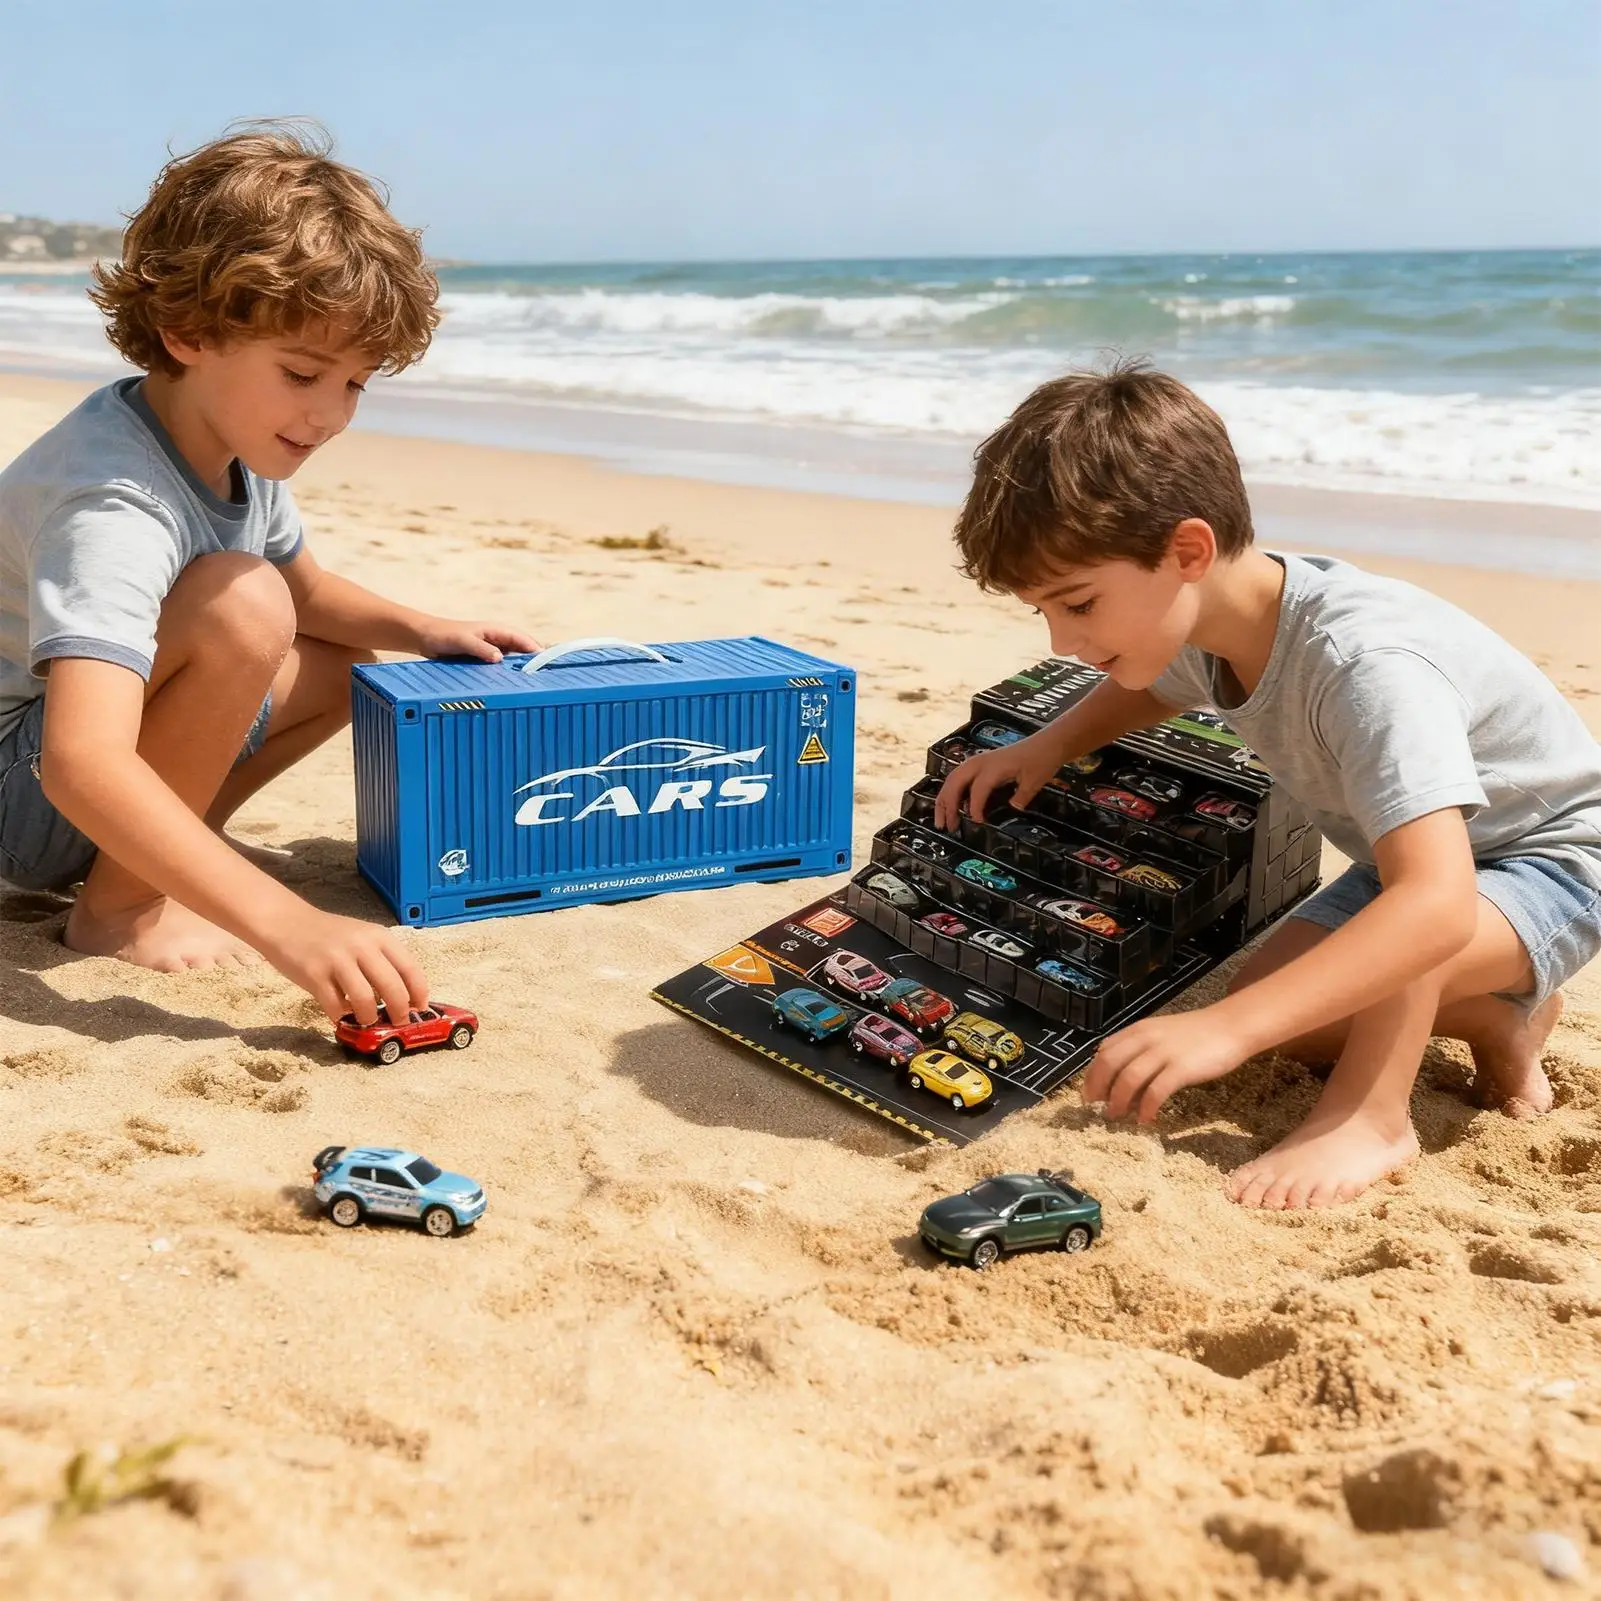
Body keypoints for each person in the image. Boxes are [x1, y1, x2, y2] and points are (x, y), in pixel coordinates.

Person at [935, 361, 1601, 1209]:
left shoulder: (1367, 667)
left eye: (1078, 603)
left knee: (1380, 956)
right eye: (1044, 613)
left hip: (1551, 859)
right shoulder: (1207, 616)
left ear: (1186, 549)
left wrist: (1219, 1030)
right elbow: (1152, 683)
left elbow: (1432, 904)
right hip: (1418, 856)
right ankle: (1502, 1019)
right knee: (1275, 1005)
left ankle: (1370, 1118)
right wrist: (1049, 744)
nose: (1063, 640)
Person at [0, 125, 538, 1023]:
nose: (330, 414)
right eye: (302, 373)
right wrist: (291, 926)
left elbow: (310, 593)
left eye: (357, 384)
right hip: (19, 798)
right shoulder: (113, 499)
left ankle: (163, 850)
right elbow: (78, 759)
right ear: (188, 331)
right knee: (241, 603)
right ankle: (120, 907)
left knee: (342, 657)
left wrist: (427, 630)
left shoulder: (223, 440)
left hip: (64, 782)